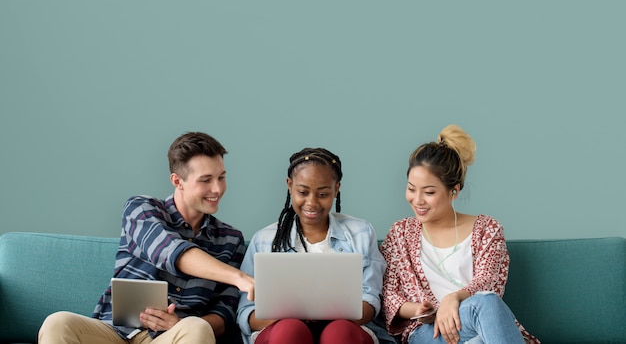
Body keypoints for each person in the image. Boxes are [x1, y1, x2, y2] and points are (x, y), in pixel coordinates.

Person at [39, 131, 254, 344]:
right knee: (57, 323)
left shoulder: (230, 239)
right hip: (114, 333)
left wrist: (178, 324)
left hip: (172, 337)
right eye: (206, 180)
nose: (217, 189)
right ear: (177, 181)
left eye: (221, 177)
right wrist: (239, 277)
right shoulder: (141, 209)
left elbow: (224, 313)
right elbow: (171, 251)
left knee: (197, 327)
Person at [380, 125, 540, 344]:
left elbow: (490, 281)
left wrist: (453, 298)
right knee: (485, 312)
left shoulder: (487, 229)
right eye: (411, 188)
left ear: (454, 191)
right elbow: (388, 294)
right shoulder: (400, 234)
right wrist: (417, 309)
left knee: (487, 305)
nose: (417, 200)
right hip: (429, 332)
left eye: (429, 192)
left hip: (476, 320)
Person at [237, 147, 392, 344]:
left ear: (336, 189)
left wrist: (322, 312)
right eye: (302, 192)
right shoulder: (265, 240)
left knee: (339, 332)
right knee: (289, 329)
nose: (311, 203)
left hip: (347, 328)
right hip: (282, 331)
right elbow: (246, 313)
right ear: (289, 185)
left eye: (323, 194)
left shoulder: (361, 233)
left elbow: (371, 301)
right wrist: (292, 314)